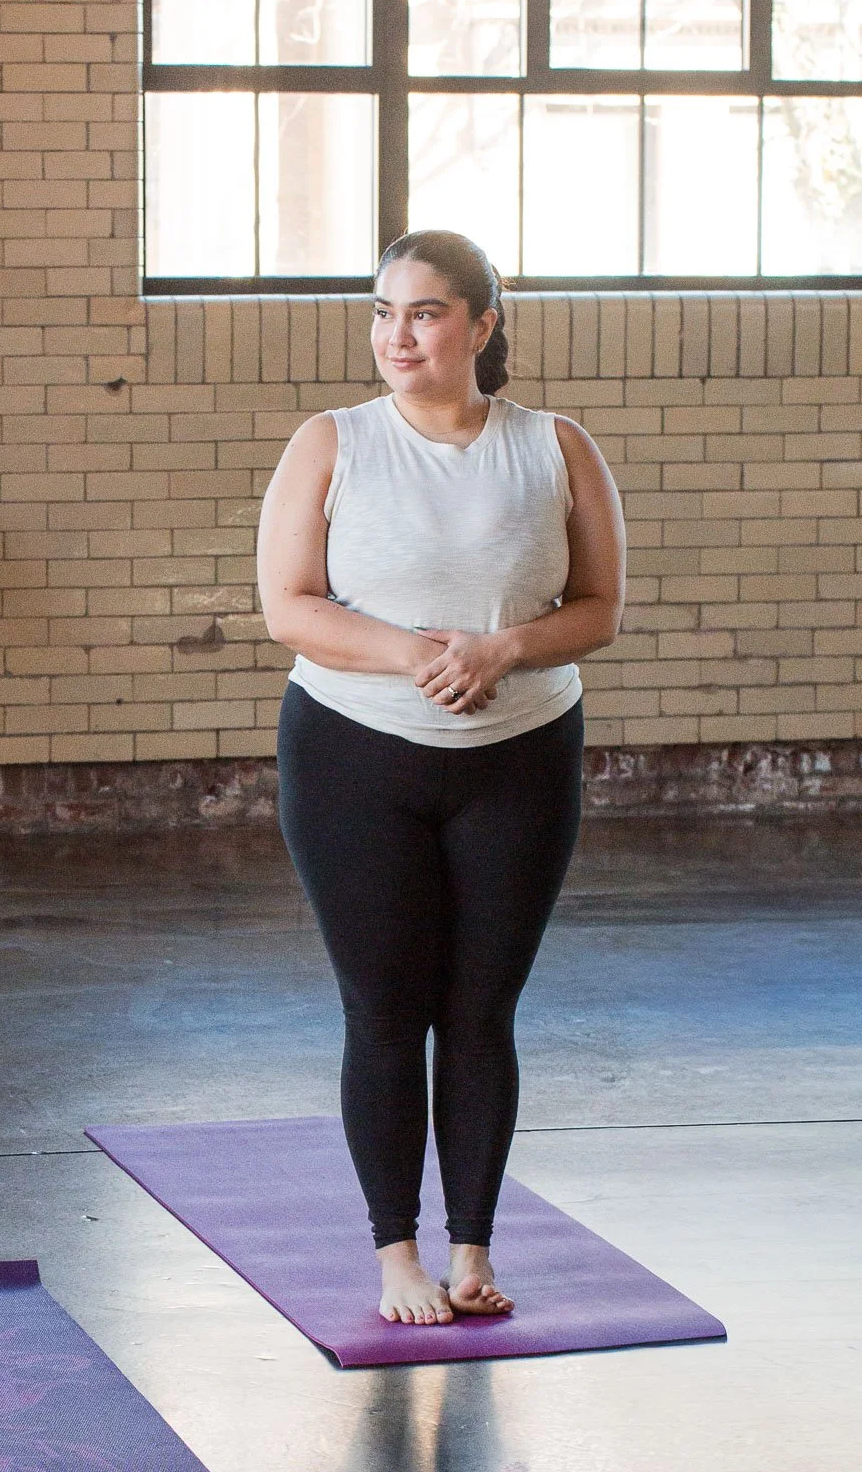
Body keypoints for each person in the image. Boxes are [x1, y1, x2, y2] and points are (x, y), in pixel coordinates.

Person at [256, 230, 626, 1327]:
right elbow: (293, 606)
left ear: (483, 322)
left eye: (421, 312)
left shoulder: (555, 447)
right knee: (384, 1009)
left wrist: (501, 649)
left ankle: (471, 1248)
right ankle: (396, 1254)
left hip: (520, 762)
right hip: (351, 759)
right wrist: (421, 652)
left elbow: (600, 607)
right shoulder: (333, 443)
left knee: (481, 1010)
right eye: (381, 312)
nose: (395, 334)